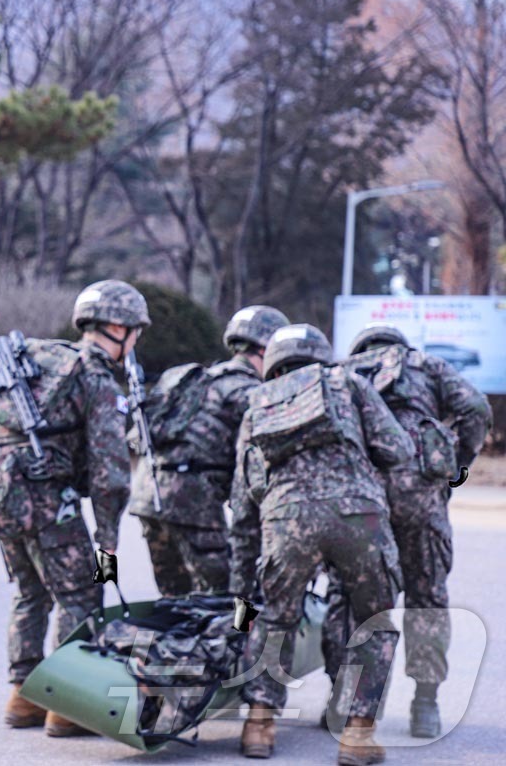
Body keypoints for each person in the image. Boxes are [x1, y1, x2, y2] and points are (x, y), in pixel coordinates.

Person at [229, 324, 413, 766]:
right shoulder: (348, 382)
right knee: (373, 620)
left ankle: (259, 724)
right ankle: (357, 733)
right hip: (357, 516)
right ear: (321, 355)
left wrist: (241, 579)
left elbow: (244, 492)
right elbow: (398, 449)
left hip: (286, 517)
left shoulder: (258, 401)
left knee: (276, 617)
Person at [0, 280, 143, 738]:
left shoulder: (37, 357)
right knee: (81, 595)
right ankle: (65, 704)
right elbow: (110, 471)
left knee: (30, 592)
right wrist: (107, 541)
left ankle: (22, 696)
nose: (136, 343)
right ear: (117, 327)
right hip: (47, 500)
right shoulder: (95, 375)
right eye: (136, 332)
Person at [322, 325, 490, 738]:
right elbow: (477, 409)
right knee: (426, 597)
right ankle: (425, 706)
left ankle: (349, 703)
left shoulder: (341, 373)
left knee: (350, 599)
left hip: (361, 502)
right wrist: (454, 465)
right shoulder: (425, 366)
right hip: (420, 500)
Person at [129, 305, 289, 597]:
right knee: (220, 597)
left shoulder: (200, 380)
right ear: (267, 349)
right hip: (192, 500)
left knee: (173, 598)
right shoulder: (248, 392)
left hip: (148, 492)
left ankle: (165, 643)